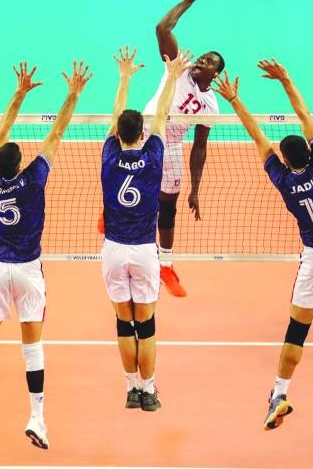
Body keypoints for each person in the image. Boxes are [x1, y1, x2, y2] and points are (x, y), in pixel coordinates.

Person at [213, 60, 313, 437]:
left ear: (286, 161)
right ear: (312, 152)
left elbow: (257, 138)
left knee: (296, 332)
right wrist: (285, 79)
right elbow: (303, 113)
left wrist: (235, 100)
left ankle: (279, 393)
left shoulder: (282, 179)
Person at [0, 61, 92, 450]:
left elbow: (0, 133)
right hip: (28, 271)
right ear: (19, 165)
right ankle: (37, 418)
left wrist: (18, 95)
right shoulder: (34, 178)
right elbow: (56, 133)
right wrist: (73, 94)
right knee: (32, 346)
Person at [101, 47, 192, 411]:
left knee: (124, 322)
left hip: (113, 249)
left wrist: (124, 77)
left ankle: (130, 389)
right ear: (141, 134)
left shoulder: (109, 155)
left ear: (119, 134)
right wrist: (171, 76)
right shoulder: (154, 156)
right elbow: (162, 117)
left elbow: (115, 116)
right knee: (147, 322)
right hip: (143, 250)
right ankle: (150, 390)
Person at [148, 0, 225, 297]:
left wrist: (196, 188)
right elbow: (162, 29)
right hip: (147, 131)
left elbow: (200, 149)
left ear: (215, 74)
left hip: (174, 146)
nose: (201, 61)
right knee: (129, 182)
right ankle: (111, 214)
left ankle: (166, 265)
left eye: (208, 62)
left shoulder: (211, 105)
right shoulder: (176, 68)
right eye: (202, 57)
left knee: (169, 205)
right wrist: (186, 2)